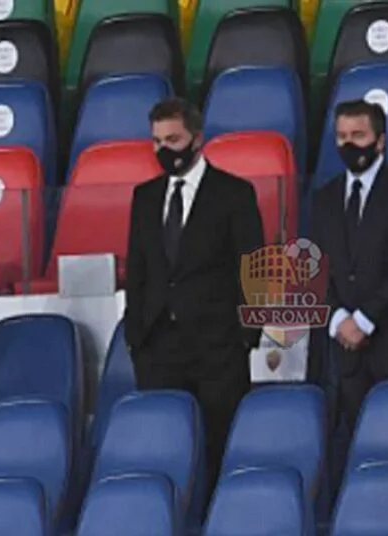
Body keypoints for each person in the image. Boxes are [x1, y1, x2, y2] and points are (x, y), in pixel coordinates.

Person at [124, 98, 264, 495]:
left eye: (172, 139)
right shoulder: (145, 197)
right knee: (163, 450)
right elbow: (139, 269)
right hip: (157, 347)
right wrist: (136, 335)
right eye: (156, 141)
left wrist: (244, 338)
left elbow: (252, 268)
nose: (163, 149)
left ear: (197, 139)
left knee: (220, 451)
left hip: (217, 348)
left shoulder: (233, 193)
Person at [310, 99, 388, 430]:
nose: (349, 144)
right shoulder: (324, 198)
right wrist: (338, 318)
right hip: (348, 352)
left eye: (358, 134)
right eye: (341, 136)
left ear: (380, 141)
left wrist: (364, 320)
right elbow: (317, 267)